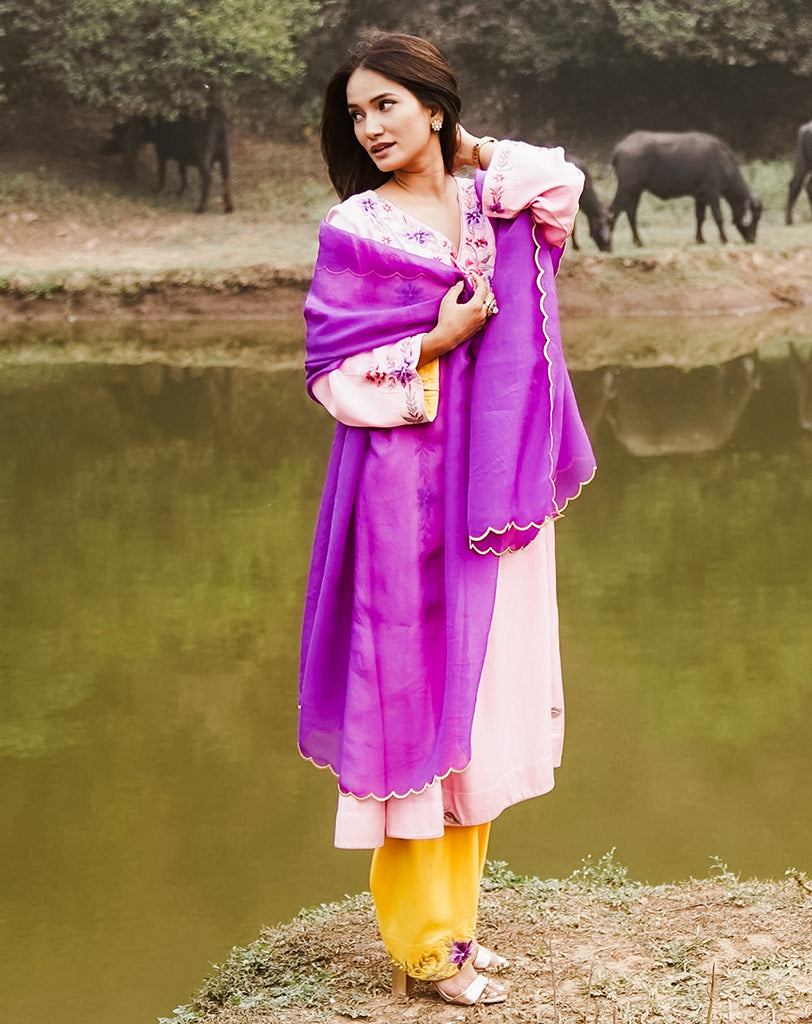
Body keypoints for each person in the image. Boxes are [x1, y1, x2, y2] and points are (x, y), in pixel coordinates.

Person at [299, 33, 596, 1007]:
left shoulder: (491, 201)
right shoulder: (356, 229)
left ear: (433, 105)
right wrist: (436, 340)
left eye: (386, 104)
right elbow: (333, 377)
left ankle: (458, 927)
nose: (369, 127)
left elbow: (562, 185)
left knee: (475, 704)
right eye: (355, 114)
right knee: (413, 707)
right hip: (399, 501)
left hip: (490, 495)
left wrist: (470, 151)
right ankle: (424, 946)